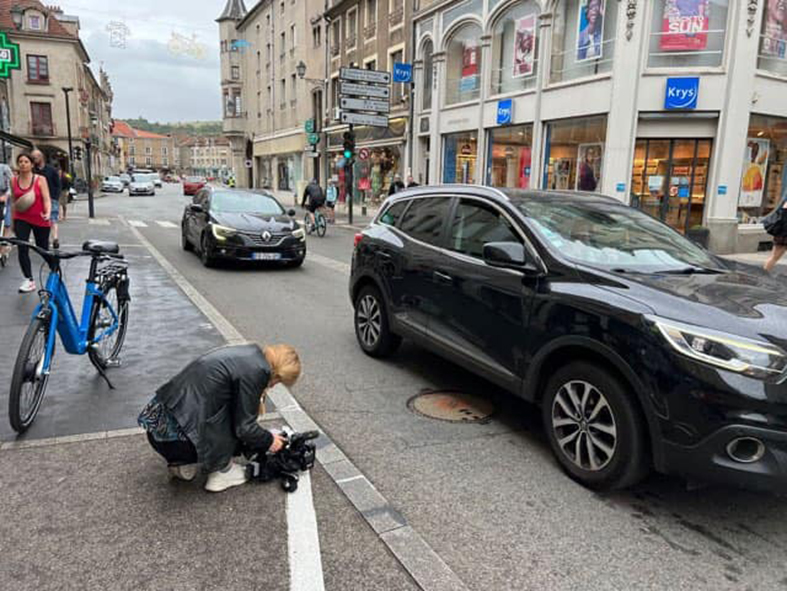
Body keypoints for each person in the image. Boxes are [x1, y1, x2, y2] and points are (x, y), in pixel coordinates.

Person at [138, 343, 301, 493]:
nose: (273, 386)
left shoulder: (249, 354)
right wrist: (269, 441)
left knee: (224, 408)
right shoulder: (258, 373)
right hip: (182, 442)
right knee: (239, 418)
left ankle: (181, 462)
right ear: (278, 376)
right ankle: (222, 472)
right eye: (278, 382)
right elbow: (244, 427)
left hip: (158, 433)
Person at [10, 152, 51, 293]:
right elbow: (14, 202)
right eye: (20, 161)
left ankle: (55, 270)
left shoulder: (40, 179)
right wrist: (13, 220)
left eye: (26, 161)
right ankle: (29, 280)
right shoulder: (13, 180)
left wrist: (48, 212)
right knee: (22, 247)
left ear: (32, 164)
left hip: (39, 218)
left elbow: (46, 198)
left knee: (43, 248)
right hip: (21, 218)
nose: (23, 164)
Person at [31, 150, 61, 249]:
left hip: (51, 198)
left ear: (41, 157)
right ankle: (46, 239)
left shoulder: (51, 170)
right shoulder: (33, 171)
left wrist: (56, 197)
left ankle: (55, 238)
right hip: (37, 199)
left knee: (53, 218)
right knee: (42, 219)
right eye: (33, 157)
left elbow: (58, 184)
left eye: (35, 157)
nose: (34, 159)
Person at [0, 160, 13, 257]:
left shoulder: (4, 168)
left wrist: (6, 195)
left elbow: (12, 184)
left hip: (4, 198)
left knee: (6, 223)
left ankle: (4, 246)